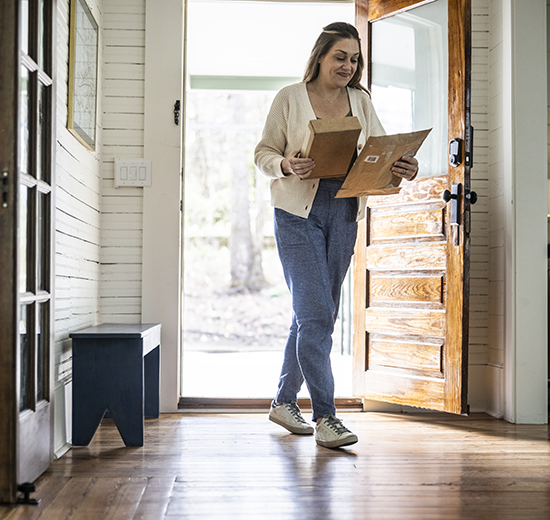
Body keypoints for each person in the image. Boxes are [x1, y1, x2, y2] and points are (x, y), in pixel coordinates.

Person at [254, 22, 418, 449]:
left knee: (316, 314)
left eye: (354, 59)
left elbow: (379, 149)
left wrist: (403, 166)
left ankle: (283, 402)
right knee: (314, 315)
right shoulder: (290, 98)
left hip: (344, 210)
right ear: (320, 56)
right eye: (340, 56)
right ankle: (326, 417)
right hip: (296, 212)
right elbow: (263, 153)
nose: (348, 65)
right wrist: (287, 164)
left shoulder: (360, 100)